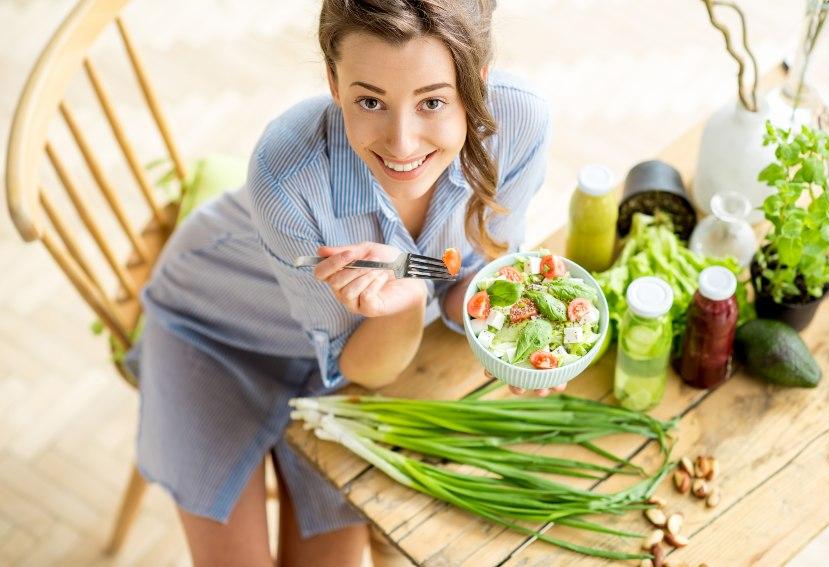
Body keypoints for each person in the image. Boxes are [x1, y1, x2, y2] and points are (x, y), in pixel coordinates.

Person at [126, 0, 551, 565]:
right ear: (332, 81)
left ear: (476, 83)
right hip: (218, 331)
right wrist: (401, 311)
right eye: (369, 100)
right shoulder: (284, 174)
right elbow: (359, 364)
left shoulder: (518, 125)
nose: (402, 144)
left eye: (433, 101)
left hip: (344, 363)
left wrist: (513, 343)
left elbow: (467, 275)